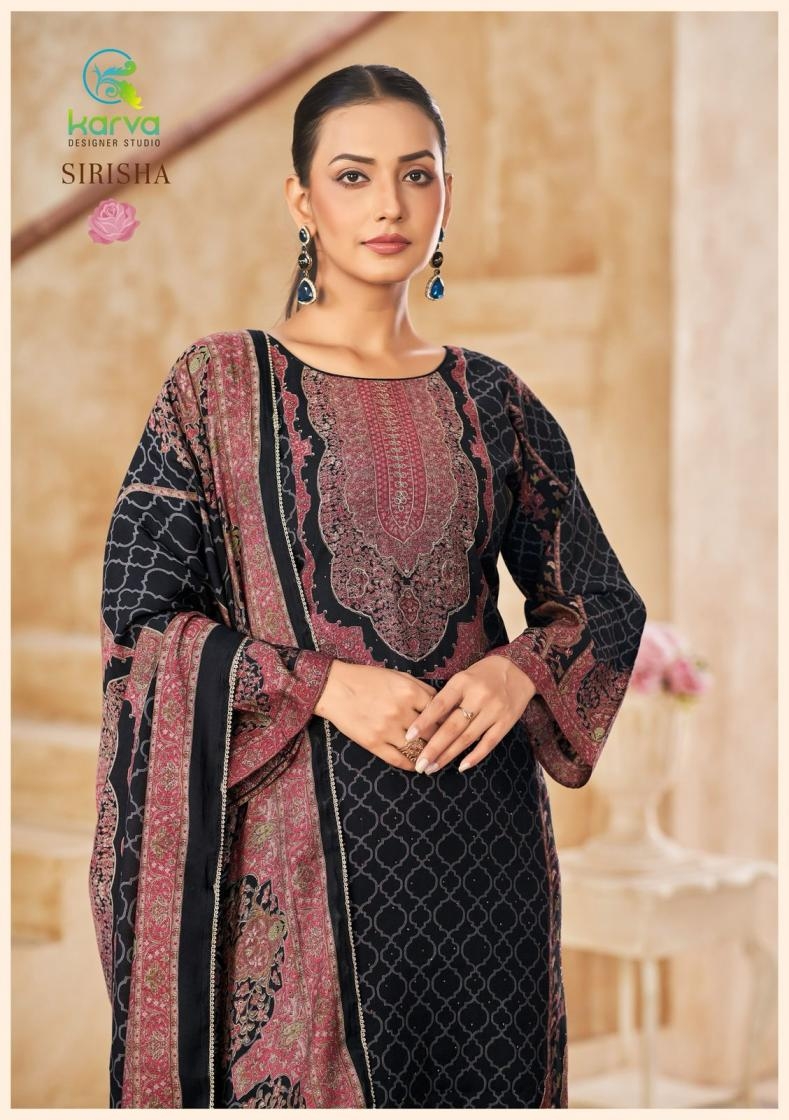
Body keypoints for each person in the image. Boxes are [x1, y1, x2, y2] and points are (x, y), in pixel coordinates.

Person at [88, 63, 647, 1109]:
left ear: (446, 195)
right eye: (353, 176)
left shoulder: (493, 397)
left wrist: (519, 671)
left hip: (484, 863)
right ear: (301, 200)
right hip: (293, 865)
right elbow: (142, 624)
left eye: (416, 175)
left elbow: (601, 602)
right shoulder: (218, 385)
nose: (389, 204)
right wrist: (322, 685)